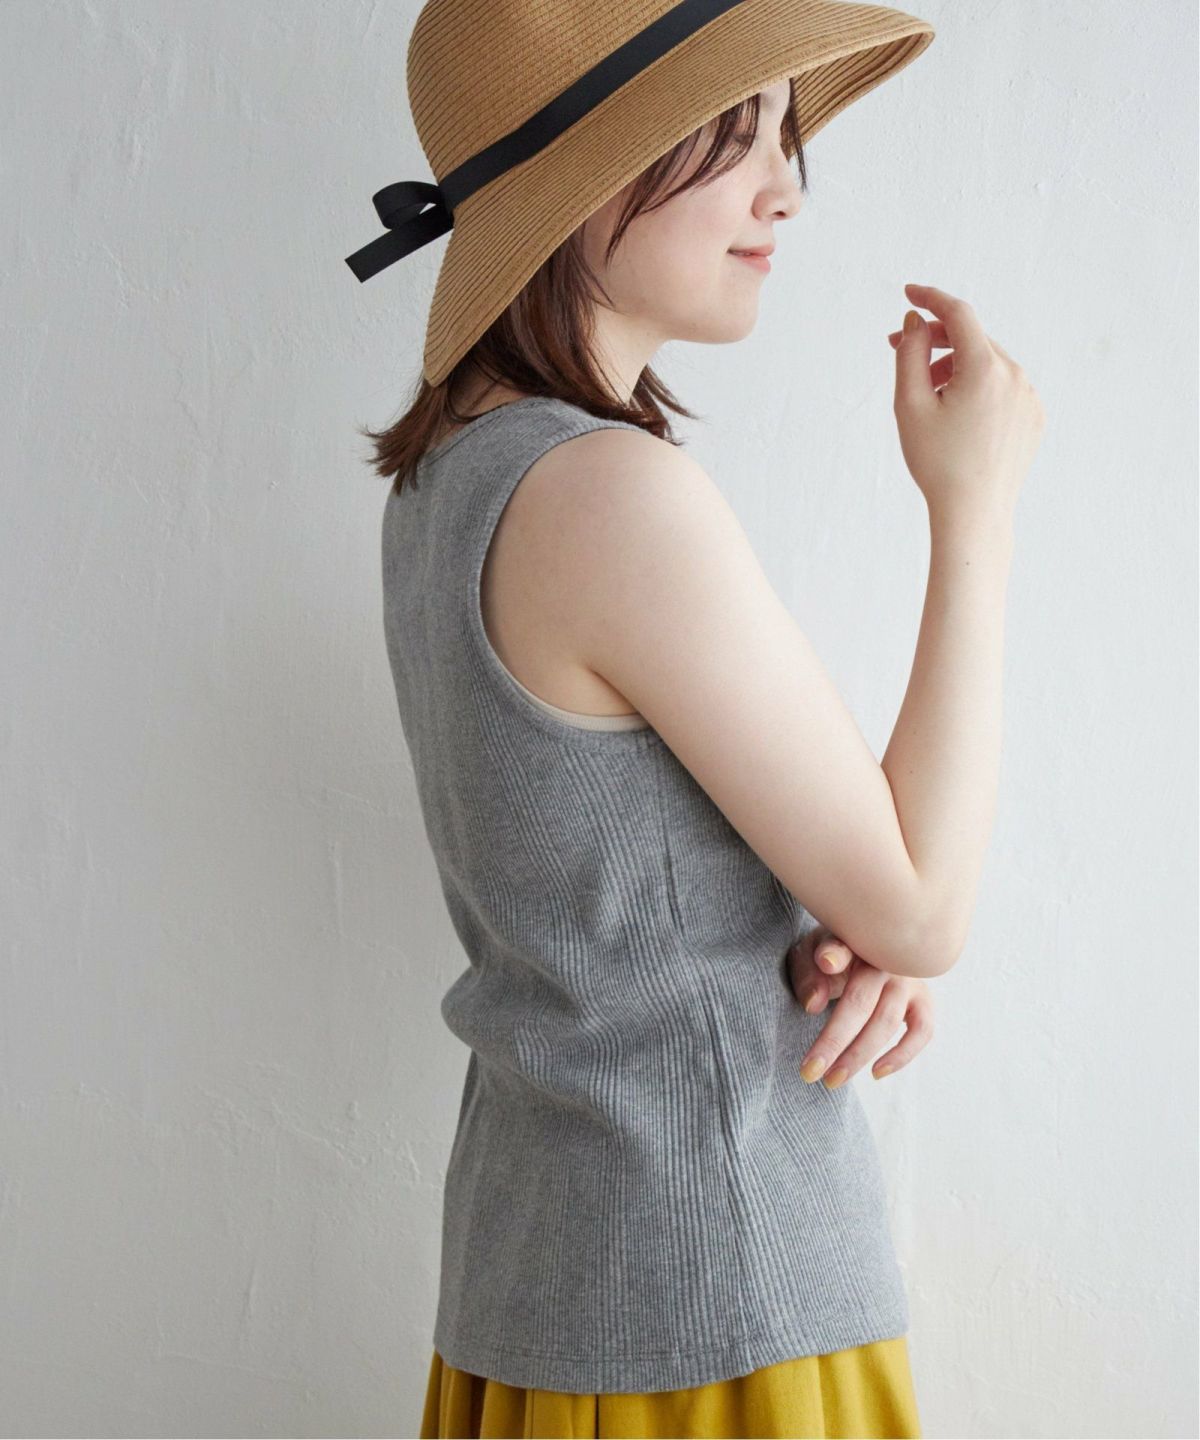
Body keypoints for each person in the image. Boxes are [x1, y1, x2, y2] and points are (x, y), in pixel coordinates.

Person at [347, 3, 1045, 1436]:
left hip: (539, 1290)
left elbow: (627, 896)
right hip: (714, 1307)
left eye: (788, 137)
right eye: (738, 135)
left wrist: (830, 927)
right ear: (590, 171)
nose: (786, 188)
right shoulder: (606, 494)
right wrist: (974, 510)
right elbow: (922, 903)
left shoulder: (449, 486)